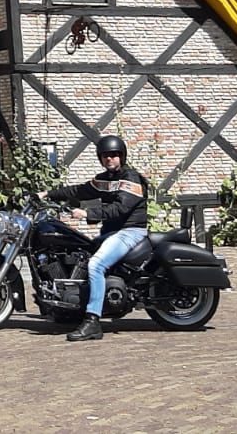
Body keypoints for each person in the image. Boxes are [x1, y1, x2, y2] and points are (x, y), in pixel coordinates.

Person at [44, 134, 148, 342]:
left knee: (96, 266)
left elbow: (121, 207)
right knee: (81, 256)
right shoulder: (106, 179)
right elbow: (79, 190)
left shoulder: (131, 178)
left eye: (114, 155)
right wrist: (47, 194)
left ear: (122, 156)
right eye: (105, 156)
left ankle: (92, 322)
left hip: (130, 231)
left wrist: (88, 214)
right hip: (112, 233)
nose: (109, 159)